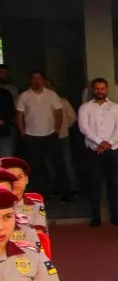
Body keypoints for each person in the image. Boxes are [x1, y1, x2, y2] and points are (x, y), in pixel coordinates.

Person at [76, 77, 118, 226]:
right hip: (93, 150)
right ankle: (95, 217)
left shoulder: (117, 108)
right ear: (93, 90)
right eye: (97, 88)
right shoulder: (85, 108)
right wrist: (100, 142)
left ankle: (115, 215)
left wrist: (108, 143)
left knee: (113, 184)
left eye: (102, 88)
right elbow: (84, 128)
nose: (99, 91)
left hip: (113, 150)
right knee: (94, 184)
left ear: (107, 90)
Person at [16, 71, 69, 200]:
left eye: (39, 78)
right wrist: (23, 132)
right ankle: (41, 195)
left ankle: (65, 193)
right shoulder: (24, 96)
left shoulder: (52, 95)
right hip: (31, 136)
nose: (36, 81)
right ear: (30, 80)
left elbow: (58, 112)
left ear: (43, 80)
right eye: (33, 78)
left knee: (58, 164)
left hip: (50, 135)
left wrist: (57, 128)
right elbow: (19, 115)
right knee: (36, 167)